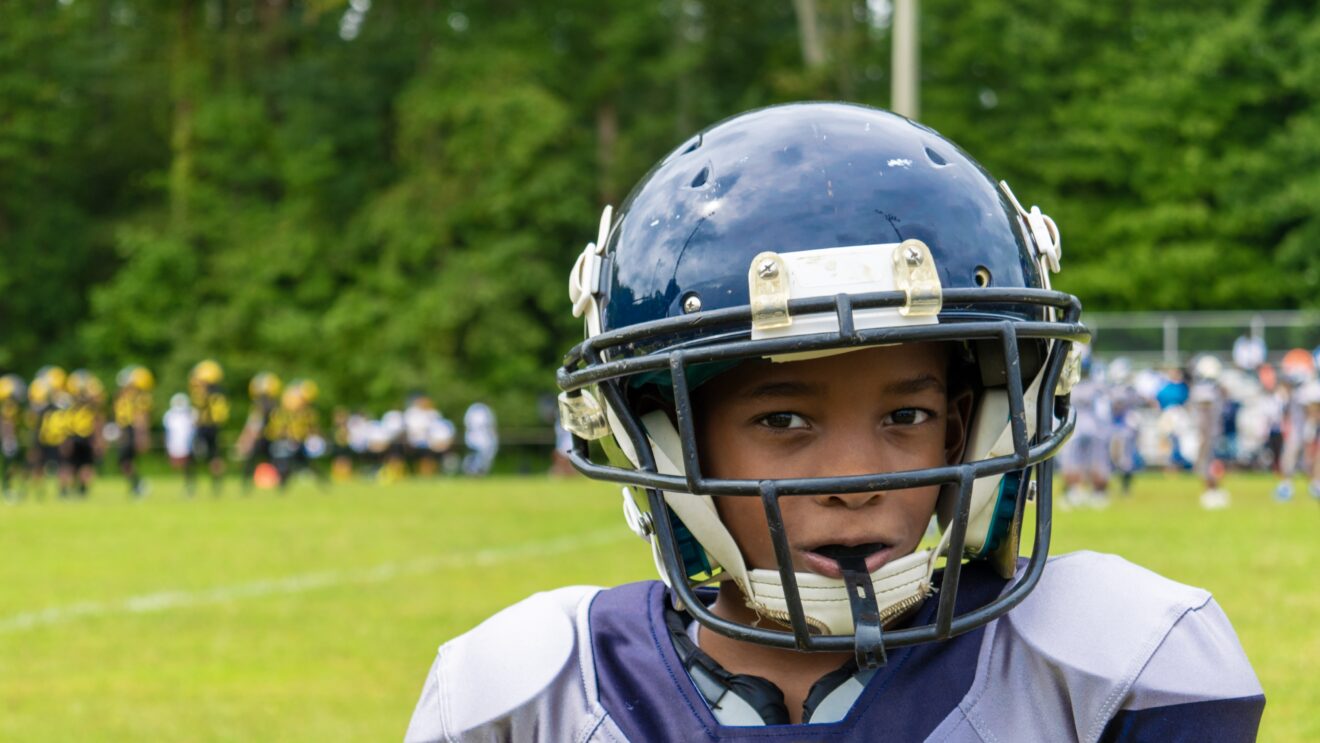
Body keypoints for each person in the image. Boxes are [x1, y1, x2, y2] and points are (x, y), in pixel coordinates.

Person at [405, 104, 1263, 740]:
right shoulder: (530, 695)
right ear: (666, 435)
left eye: (906, 414)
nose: (858, 476)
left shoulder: (1101, 668)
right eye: (783, 417)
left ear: (970, 430)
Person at [188, 360, 230, 494]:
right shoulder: (219, 394)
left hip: (206, 428)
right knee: (214, 456)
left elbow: (202, 413)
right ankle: (216, 485)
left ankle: (192, 485)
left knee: (194, 456)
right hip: (213, 429)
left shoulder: (206, 395)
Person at [113, 365, 155, 498]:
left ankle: (137, 485)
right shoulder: (122, 397)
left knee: (126, 460)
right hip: (125, 431)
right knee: (124, 461)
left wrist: (141, 436)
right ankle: (137, 484)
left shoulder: (139, 397)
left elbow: (141, 418)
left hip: (132, 430)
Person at [0, 374, 27, 501]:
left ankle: (8, 488)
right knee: (9, 465)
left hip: (9, 439)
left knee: (11, 465)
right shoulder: (8, 406)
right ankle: (7, 489)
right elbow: (7, 424)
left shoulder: (10, 405)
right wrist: (9, 439)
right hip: (8, 440)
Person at [162, 392, 197, 480]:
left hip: (186, 443)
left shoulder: (191, 413)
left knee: (187, 463)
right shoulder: (169, 415)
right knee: (176, 463)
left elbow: (193, 430)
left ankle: (189, 480)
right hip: (175, 442)